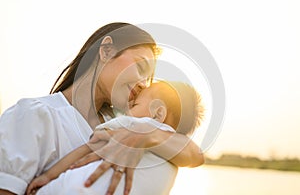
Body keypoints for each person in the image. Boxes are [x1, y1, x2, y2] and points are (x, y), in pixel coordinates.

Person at [0, 23, 204, 195]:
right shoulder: (35, 115)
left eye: (148, 79)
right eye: (140, 68)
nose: (143, 84)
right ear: (106, 50)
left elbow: (195, 156)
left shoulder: (121, 127)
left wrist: (145, 137)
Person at [26, 80, 204, 195]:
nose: (127, 110)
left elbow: (87, 149)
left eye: (135, 104)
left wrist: (48, 176)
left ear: (158, 113)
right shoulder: (174, 155)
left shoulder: (131, 126)